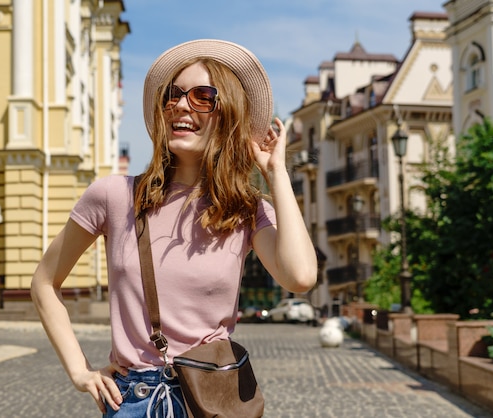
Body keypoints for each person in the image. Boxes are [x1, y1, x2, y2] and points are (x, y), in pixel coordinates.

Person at [31, 39, 318, 417]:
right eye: (173, 94)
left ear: (227, 114)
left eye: (202, 96)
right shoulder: (115, 196)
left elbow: (299, 277)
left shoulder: (245, 211)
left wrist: (275, 173)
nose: (181, 105)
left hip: (216, 398)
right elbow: (44, 282)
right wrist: (80, 371)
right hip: (135, 398)